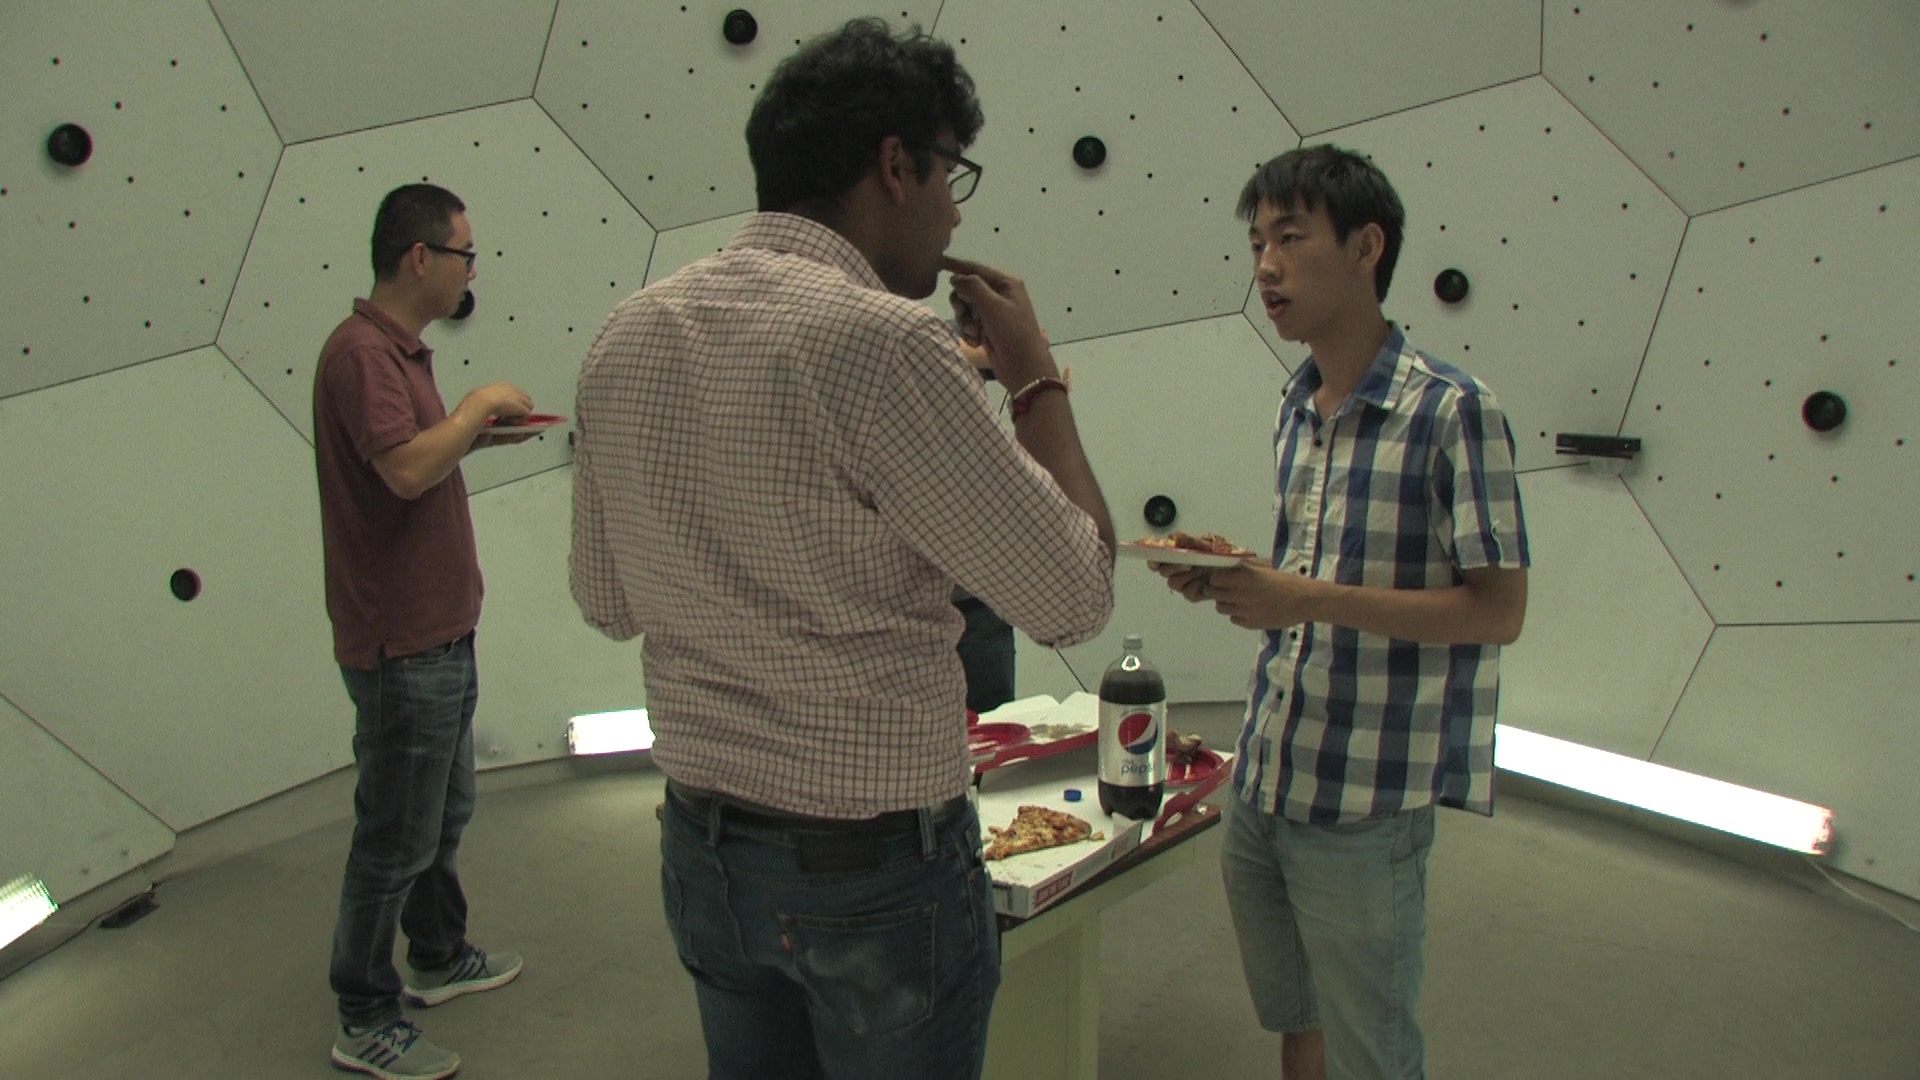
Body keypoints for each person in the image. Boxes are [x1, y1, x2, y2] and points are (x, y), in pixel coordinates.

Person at [569, 18, 1114, 1079]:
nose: (957, 208)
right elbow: (1075, 595)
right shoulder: (891, 343)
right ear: (896, 166)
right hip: (875, 875)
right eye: (952, 171)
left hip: (703, 851)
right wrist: (1035, 380)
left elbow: (607, 602)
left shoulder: (627, 333)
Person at [1156, 146, 1530, 1079]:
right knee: (1300, 1019)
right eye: (1256, 243)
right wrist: (1237, 580)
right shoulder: (1296, 405)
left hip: (1366, 800)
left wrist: (1305, 597)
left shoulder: (1454, 411)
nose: (1265, 266)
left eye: (1290, 238)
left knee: (1374, 1052)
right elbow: (1313, 577)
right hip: (1268, 771)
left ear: (1366, 248)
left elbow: (1498, 611)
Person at [313, 182, 533, 1080]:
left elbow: (412, 458)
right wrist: (475, 408)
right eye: (464, 254)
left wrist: (474, 436)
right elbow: (405, 473)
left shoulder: (396, 353)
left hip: (439, 633)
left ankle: (438, 955)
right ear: (419, 258)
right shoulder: (364, 353)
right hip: (401, 646)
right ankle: (365, 1015)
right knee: (394, 839)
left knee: (440, 816)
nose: (471, 270)